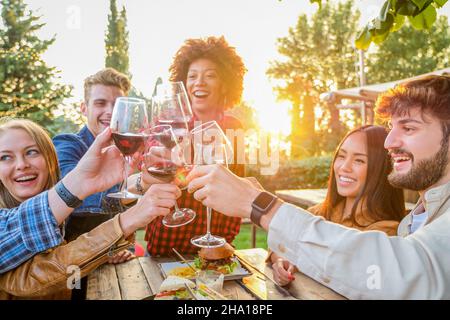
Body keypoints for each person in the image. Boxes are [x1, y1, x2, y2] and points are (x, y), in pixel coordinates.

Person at [186, 75, 450, 299]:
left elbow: (399, 270)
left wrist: (259, 204)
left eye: (409, 128)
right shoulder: (417, 220)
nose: (389, 141)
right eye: (391, 127)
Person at [0, 118, 179, 299]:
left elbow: (70, 270)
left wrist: (103, 253)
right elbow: (31, 279)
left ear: (50, 160)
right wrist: (126, 221)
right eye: (5, 157)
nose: (21, 164)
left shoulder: (64, 218)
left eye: (31, 152)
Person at [144, 36, 247, 256]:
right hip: (166, 243)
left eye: (210, 75)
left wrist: (225, 240)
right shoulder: (168, 123)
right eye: (192, 76)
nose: (199, 82)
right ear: (184, 83)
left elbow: (237, 188)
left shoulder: (233, 127)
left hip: (213, 245)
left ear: (224, 84)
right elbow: (158, 170)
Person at [270, 125, 406, 286]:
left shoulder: (385, 231)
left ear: (382, 169)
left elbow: (344, 269)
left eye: (359, 160)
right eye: (341, 156)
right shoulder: (319, 211)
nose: (344, 167)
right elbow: (279, 245)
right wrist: (282, 261)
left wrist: (298, 254)